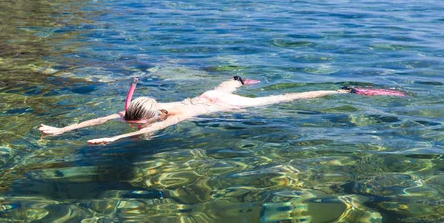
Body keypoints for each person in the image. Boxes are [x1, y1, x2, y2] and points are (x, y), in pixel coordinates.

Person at [39, 76, 404, 145]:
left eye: (135, 125)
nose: (135, 127)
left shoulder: (168, 116)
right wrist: (61, 129)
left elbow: (152, 132)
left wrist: (115, 139)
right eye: (131, 123)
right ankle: (239, 78)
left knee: (286, 99)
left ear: (151, 117)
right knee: (222, 85)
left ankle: (346, 89)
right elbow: (98, 118)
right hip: (209, 97)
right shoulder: (140, 109)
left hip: (226, 108)